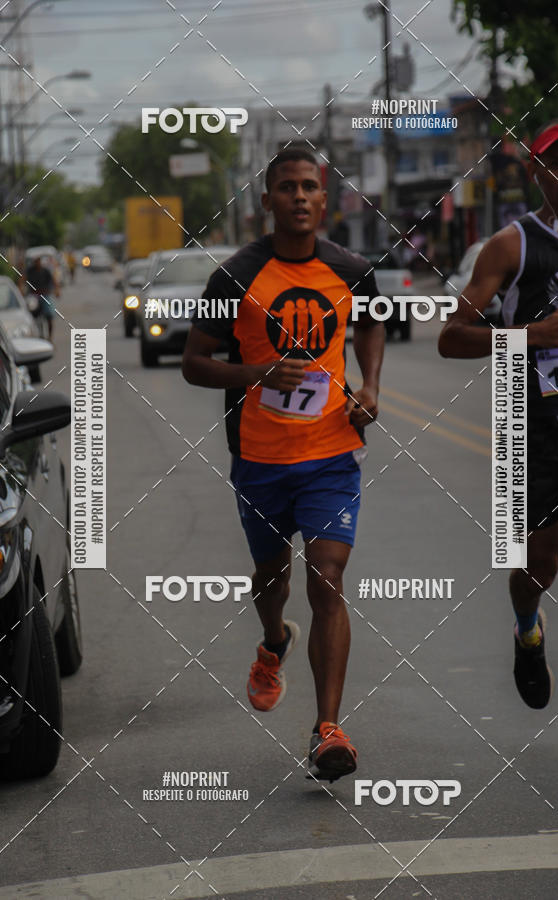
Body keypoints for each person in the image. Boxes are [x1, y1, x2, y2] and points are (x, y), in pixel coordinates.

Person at [182, 148, 384, 781]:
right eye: (287, 187)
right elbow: (194, 363)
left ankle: (328, 730)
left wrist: (370, 385)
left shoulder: (352, 270)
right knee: (273, 576)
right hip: (260, 460)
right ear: (266, 200)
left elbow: (372, 324)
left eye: (309, 187)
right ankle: (274, 641)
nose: (299, 196)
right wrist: (256, 373)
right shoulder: (235, 278)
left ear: (324, 199)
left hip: (330, 453)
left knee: (328, 577)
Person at [438, 120, 558, 710]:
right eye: (557, 162)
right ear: (536, 172)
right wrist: (532, 334)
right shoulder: (511, 245)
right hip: (524, 423)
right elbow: (451, 338)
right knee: (537, 567)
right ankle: (527, 630)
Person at [23, 256, 57, 340]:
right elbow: (23, 278)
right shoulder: (30, 270)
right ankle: (37, 335)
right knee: (31, 314)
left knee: (49, 315)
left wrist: (57, 290)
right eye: (36, 261)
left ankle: (50, 336)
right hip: (34, 295)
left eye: (39, 261)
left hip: (45, 294)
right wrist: (20, 288)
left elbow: (53, 280)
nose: (38, 262)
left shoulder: (45, 270)